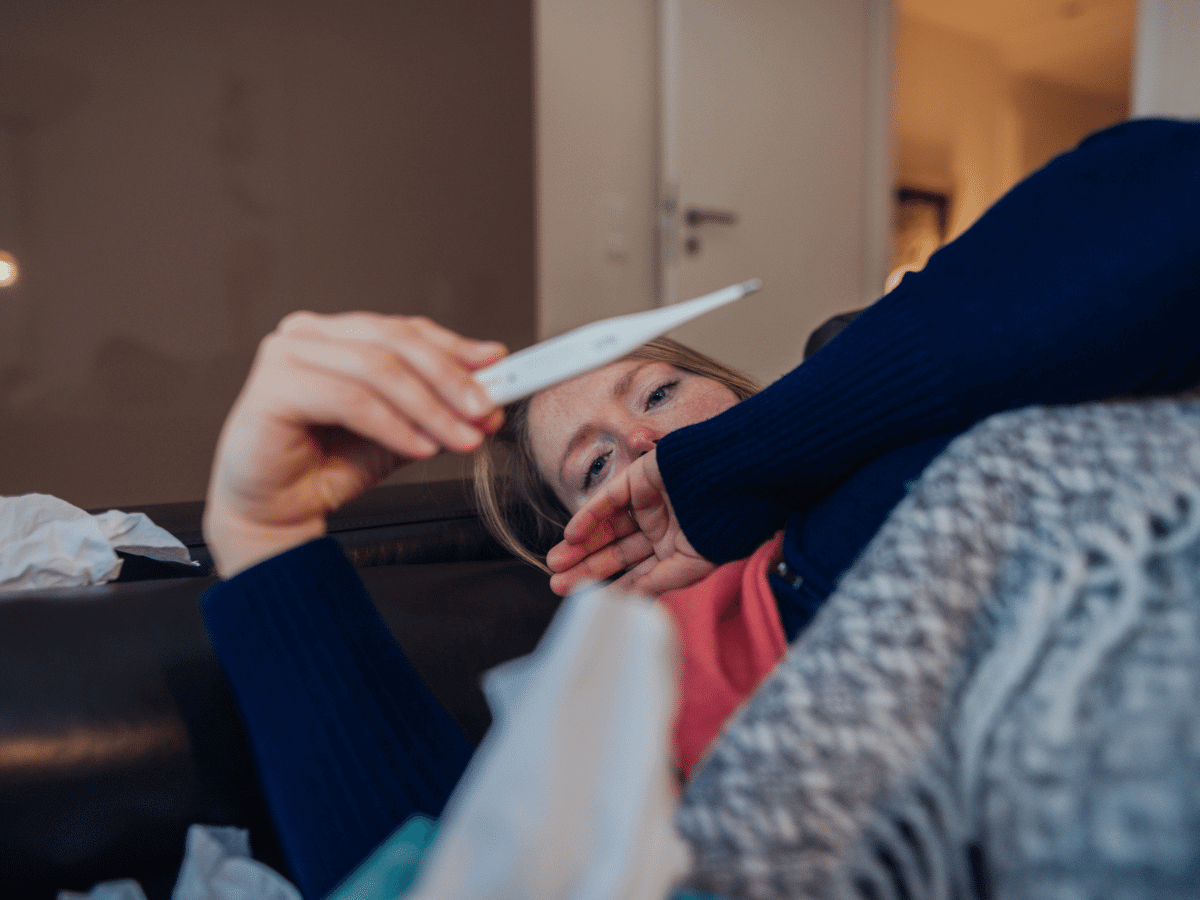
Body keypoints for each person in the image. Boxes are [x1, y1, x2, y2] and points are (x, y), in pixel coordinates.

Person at [201, 117, 1200, 899]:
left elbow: (1169, 189)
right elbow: (450, 876)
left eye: (661, 393)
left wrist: (740, 465)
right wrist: (265, 534)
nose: (644, 444)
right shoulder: (645, 677)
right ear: (587, 546)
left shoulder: (875, 419)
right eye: (597, 466)